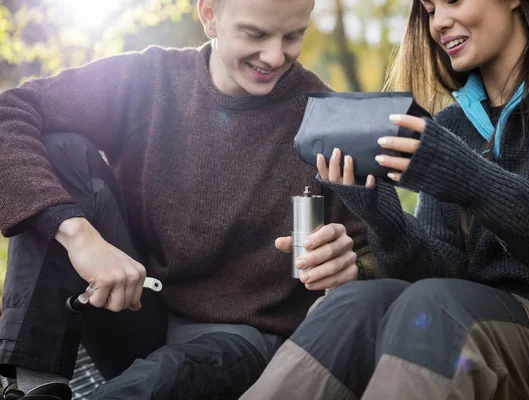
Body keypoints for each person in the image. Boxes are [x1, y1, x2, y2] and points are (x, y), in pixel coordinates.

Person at [0, 0, 373, 398]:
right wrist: (79, 237)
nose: (275, 56)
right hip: (135, 306)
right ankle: (33, 387)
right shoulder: (148, 80)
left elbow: (383, 258)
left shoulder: (330, 122)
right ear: (209, 16)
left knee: (161, 380)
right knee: (61, 150)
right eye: (255, 34)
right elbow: (11, 111)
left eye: (293, 35)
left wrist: (355, 266)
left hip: (244, 342)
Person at [240, 0, 529, 398]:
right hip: (481, 320)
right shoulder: (452, 125)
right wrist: (381, 213)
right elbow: (440, 269)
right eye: (429, 10)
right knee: (357, 303)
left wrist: (474, 182)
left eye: (453, 1)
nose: (439, 23)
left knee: (438, 306)